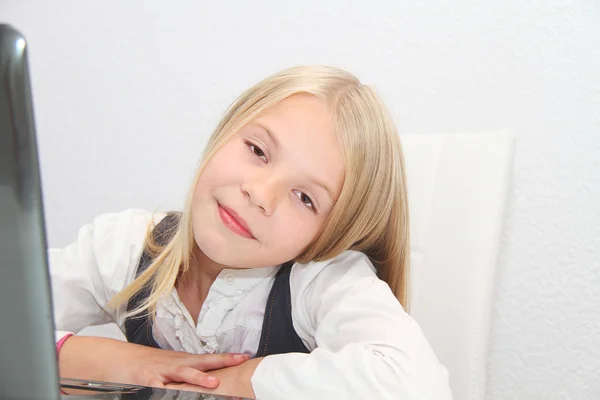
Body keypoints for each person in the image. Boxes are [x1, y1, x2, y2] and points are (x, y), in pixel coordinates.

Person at [52, 66, 452, 399]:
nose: (259, 194)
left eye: (304, 197)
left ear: (331, 235)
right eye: (258, 151)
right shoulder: (124, 245)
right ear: (226, 130)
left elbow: (416, 386)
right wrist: (93, 358)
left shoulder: (322, 280)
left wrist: (230, 382)